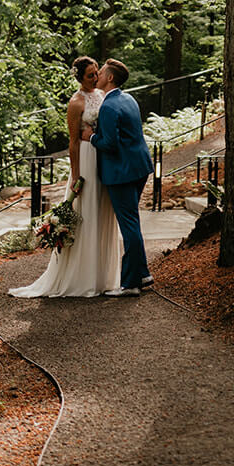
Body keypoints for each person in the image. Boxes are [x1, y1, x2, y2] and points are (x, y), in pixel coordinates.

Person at [9, 55, 122, 299]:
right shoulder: (76, 102)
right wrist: (76, 175)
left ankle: (104, 277)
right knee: (86, 213)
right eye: (90, 75)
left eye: (96, 73)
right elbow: (72, 142)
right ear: (80, 77)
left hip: (101, 155)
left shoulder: (102, 96)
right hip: (85, 159)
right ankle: (83, 278)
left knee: (102, 212)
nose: (95, 78)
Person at [86, 59, 153, 296]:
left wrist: (91, 137)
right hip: (139, 167)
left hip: (122, 172)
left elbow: (110, 145)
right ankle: (143, 273)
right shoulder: (129, 99)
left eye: (101, 72)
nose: (98, 76)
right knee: (132, 220)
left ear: (110, 78)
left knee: (129, 225)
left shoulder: (109, 106)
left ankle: (131, 283)